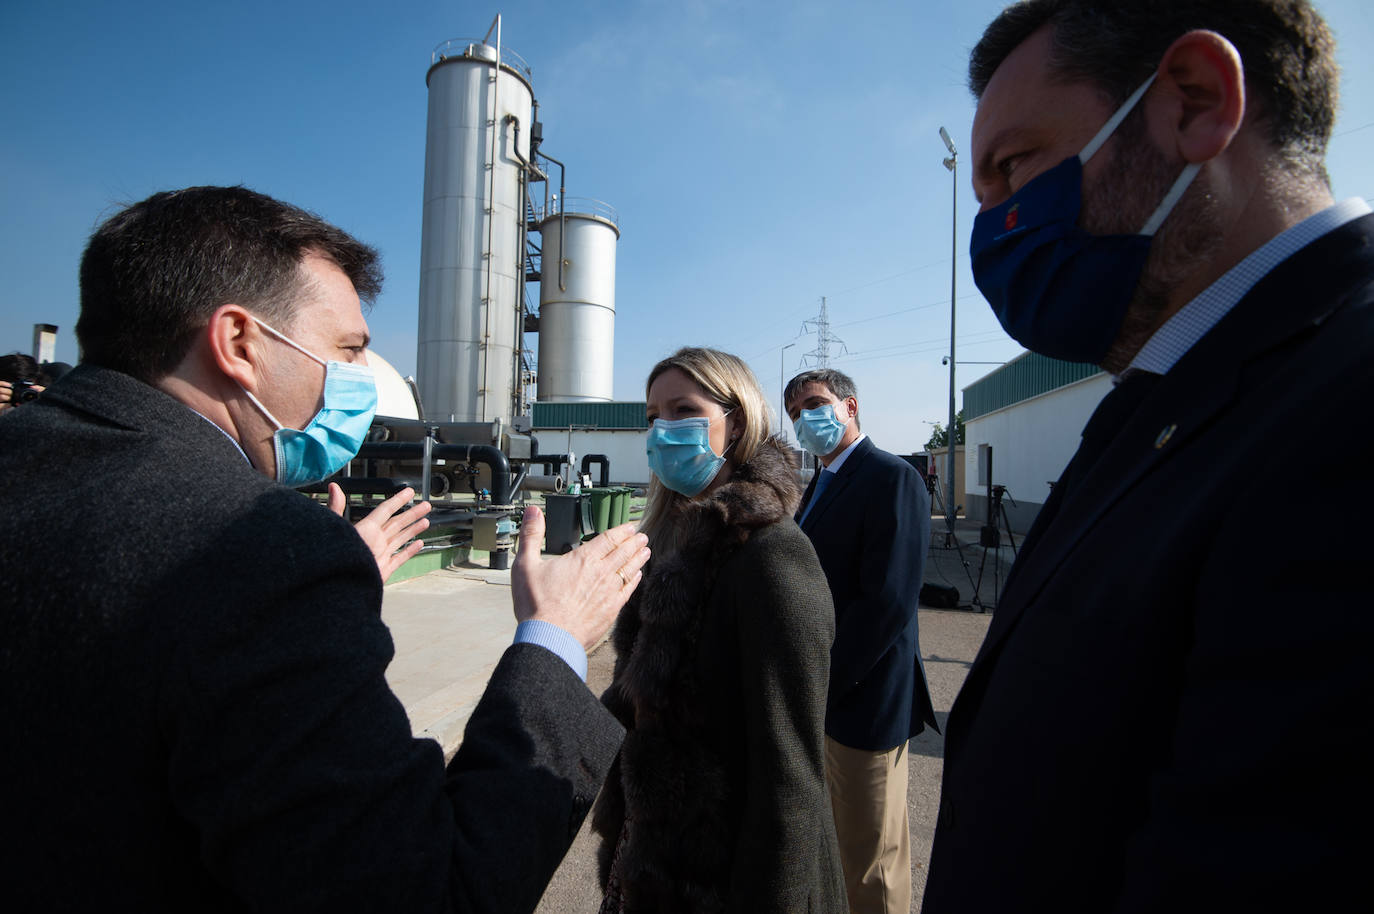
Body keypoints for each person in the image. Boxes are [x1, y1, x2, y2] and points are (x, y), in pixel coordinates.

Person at [0, 185, 650, 912]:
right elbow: (428, 893)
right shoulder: (256, 553)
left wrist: (324, 600)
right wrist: (554, 639)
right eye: (347, 351)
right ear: (240, 343)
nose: (357, 380)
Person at [923, 2, 1373, 911]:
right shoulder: (1162, 395)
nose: (998, 232)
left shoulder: (1346, 400)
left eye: (1016, 168)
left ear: (1197, 103)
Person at [590, 347, 846, 913]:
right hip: (656, 867)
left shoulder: (771, 555)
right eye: (654, 416)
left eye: (684, 410)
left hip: (729, 882)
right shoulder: (669, 544)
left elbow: (790, 779)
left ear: (737, 420)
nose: (663, 431)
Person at [784, 367, 938, 914]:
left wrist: (823, 681)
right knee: (837, 847)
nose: (807, 417)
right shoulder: (818, 484)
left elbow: (888, 603)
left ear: (851, 407)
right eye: (796, 411)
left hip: (863, 697)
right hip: (824, 698)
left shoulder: (891, 477)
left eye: (817, 403)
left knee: (873, 859)